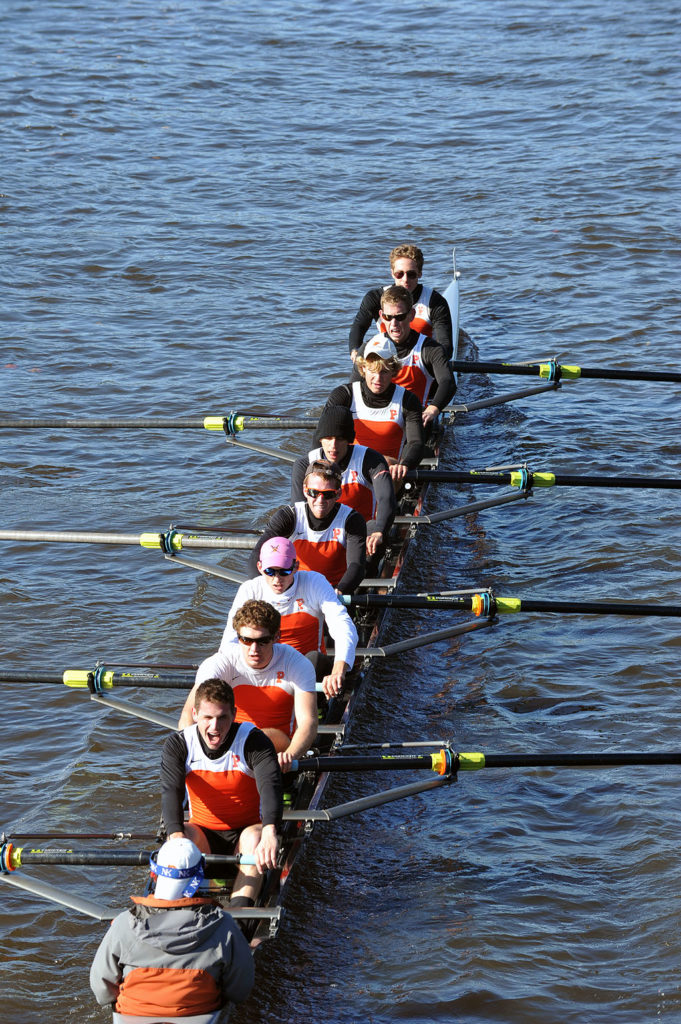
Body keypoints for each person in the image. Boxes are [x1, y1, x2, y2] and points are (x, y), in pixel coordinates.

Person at [90, 835, 254, 1023]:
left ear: (154, 874)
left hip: (132, 1013)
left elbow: (101, 989)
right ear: (198, 877)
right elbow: (240, 990)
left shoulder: (123, 924)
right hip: (200, 1014)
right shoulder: (224, 926)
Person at [166, 677, 284, 909]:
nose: (215, 727)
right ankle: (173, 911)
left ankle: (238, 919)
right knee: (179, 842)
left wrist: (271, 831)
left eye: (223, 718)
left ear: (235, 714)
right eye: (208, 717)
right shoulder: (179, 745)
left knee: (256, 837)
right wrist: (176, 839)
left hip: (247, 837)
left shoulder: (253, 741)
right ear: (195, 714)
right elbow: (170, 791)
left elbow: (271, 786)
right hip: (203, 837)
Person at [180, 600, 318, 769]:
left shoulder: (296, 663)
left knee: (263, 737)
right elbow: (188, 714)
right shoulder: (222, 662)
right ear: (238, 637)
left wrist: (291, 755)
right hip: (226, 743)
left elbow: (308, 723)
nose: (254, 649)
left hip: (276, 749)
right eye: (246, 640)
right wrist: (193, 754)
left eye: (262, 641)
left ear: (276, 637)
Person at [221, 536, 357, 698]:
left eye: (284, 571)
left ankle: (317, 706)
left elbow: (341, 624)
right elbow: (229, 643)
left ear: (296, 567)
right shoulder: (250, 590)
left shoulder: (314, 582)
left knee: (312, 660)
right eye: (270, 571)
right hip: (263, 669)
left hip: (308, 669)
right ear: (259, 567)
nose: (277, 579)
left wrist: (339, 668)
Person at [290, 406, 396, 557]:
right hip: (321, 537)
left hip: (361, 536)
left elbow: (386, 498)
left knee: (373, 530)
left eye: (339, 438)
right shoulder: (303, 465)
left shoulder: (371, 460)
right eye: (328, 438)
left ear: (349, 439)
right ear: (320, 439)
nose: (333, 446)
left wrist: (379, 530)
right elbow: (300, 511)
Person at [249, 461, 367, 593]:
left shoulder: (352, 520)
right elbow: (256, 556)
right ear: (305, 491)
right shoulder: (289, 516)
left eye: (328, 494)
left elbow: (356, 566)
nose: (320, 500)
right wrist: (263, 590)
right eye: (314, 492)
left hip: (332, 591)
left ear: (338, 494)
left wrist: (340, 591)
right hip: (291, 589)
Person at [324, 336, 425, 482]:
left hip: (388, 472)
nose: (378, 379)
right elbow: (322, 435)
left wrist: (405, 465)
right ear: (363, 368)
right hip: (350, 470)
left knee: (388, 463)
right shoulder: (343, 395)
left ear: (393, 371)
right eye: (372, 370)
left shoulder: (408, 400)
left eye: (384, 372)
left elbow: (416, 442)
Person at [355, 285, 456, 426]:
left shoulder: (431, 349)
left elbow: (448, 382)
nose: (394, 324)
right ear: (381, 316)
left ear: (412, 315)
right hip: (377, 419)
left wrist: (433, 409)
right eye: (388, 317)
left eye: (400, 317)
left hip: (415, 418)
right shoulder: (368, 349)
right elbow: (353, 389)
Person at [349, 243, 454, 360]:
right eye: (399, 274)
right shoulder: (375, 298)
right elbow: (359, 328)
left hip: (424, 359)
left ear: (420, 273)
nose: (405, 280)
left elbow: (445, 345)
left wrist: (440, 362)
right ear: (392, 273)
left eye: (411, 274)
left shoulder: (435, 302)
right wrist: (355, 352)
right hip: (390, 361)